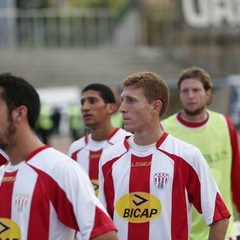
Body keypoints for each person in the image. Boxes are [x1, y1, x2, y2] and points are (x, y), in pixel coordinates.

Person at [98, 71, 230, 240]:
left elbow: (219, 217)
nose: (122, 108)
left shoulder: (186, 155)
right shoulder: (109, 158)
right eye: (122, 100)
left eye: (131, 101)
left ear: (156, 106)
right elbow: (102, 225)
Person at [0, 73, 118, 240]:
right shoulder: (2, 174)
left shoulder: (59, 169)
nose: (85, 107)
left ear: (19, 113)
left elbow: (104, 234)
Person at [161, 66, 240, 240]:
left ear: (208, 93)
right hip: (182, 232)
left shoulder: (225, 124)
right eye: (185, 91)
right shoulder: (165, 130)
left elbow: (236, 177)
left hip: (223, 231)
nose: (190, 96)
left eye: (196, 90)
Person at [68, 83, 131, 196]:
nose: (85, 108)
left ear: (110, 108)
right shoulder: (75, 149)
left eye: (92, 101)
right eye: (83, 103)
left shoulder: (128, 142)